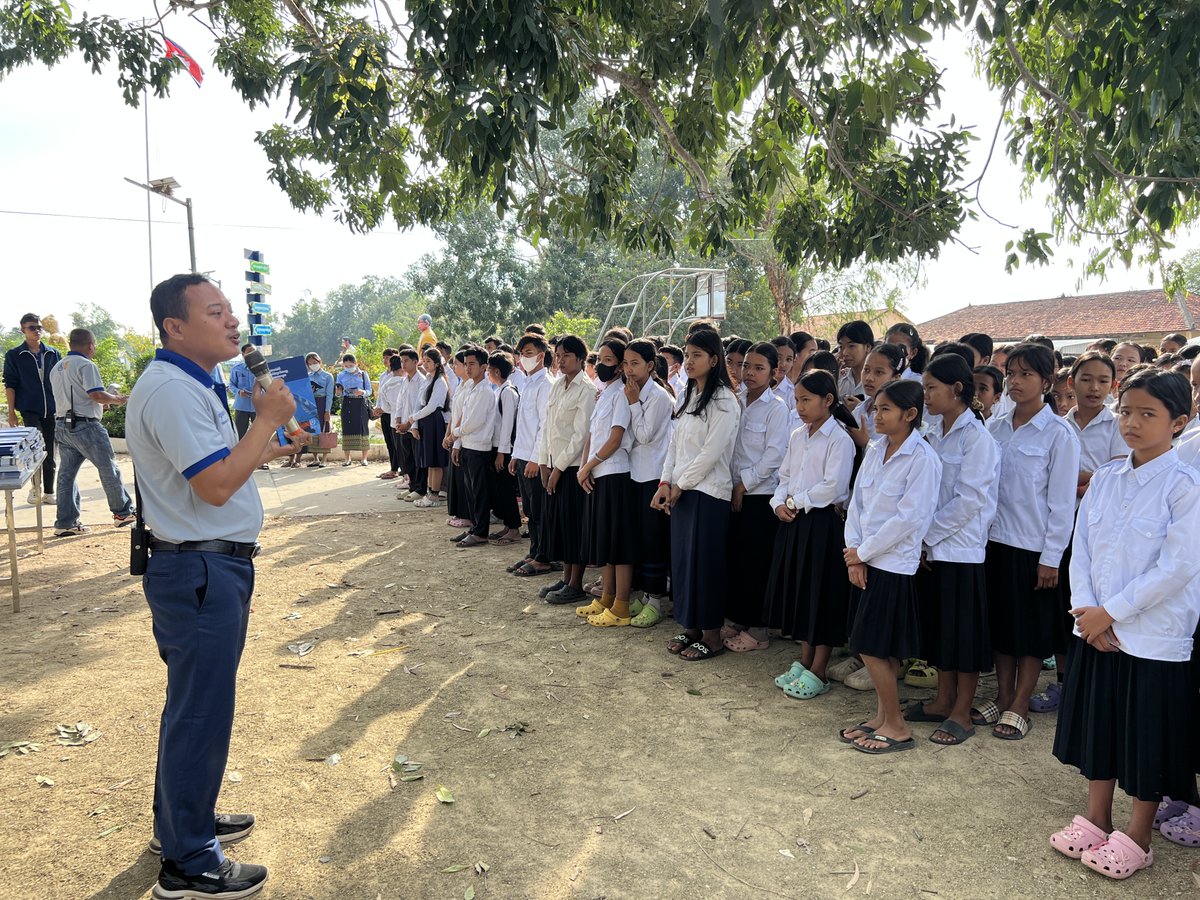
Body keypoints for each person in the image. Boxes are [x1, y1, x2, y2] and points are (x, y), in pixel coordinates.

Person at [126, 273, 298, 899]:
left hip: (204, 566)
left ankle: (181, 823)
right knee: (200, 710)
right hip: (200, 570)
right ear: (174, 327)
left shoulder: (192, 384)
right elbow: (217, 486)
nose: (233, 322)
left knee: (192, 704)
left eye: (231, 310)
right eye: (216, 311)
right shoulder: (172, 390)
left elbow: (223, 465)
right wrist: (267, 419)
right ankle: (189, 861)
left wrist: (274, 442)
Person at [1050, 368, 1200, 881]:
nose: (1132, 423)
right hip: (1097, 628)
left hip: (1152, 634)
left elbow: (1178, 567)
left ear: (1178, 421)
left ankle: (1138, 834)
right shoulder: (1107, 479)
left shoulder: (1185, 487)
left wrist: (1111, 612)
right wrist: (1088, 611)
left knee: (1144, 734)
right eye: (1127, 411)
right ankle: (1097, 817)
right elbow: (1082, 549)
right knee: (1103, 725)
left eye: (1147, 414)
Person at [984, 342, 1081, 740]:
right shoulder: (995, 428)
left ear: (1046, 381)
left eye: (1026, 374)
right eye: (1011, 374)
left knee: (1029, 631)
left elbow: (1062, 503)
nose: (1016, 381)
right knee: (1002, 626)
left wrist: (1051, 557)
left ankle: (1021, 702)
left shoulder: (1059, 434)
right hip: (994, 542)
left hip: (1032, 547)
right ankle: (1003, 695)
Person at [839, 379, 941, 754]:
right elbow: (857, 503)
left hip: (893, 563)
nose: (877, 416)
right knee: (875, 645)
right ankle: (882, 717)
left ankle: (897, 725)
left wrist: (862, 553)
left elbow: (909, 519)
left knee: (872, 646)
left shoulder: (923, 458)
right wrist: (854, 551)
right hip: (865, 557)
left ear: (910, 414)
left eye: (886, 409)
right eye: (876, 408)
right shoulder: (876, 448)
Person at [907, 354, 999, 745]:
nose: (926, 395)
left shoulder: (977, 438)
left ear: (956, 389)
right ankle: (943, 700)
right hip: (934, 548)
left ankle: (962, 710)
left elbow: (970, 500)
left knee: (963, 634)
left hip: (961, 550)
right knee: (942, 630)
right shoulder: (935, 432)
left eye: (932, 388)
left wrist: (928, 536)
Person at [764, 370, 856, 697]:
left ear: (828, 400)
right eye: (797, 400)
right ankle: (804, 661)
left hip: (822, 525)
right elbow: (785, 476)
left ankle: (819, 669)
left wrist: (795, 501)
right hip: (795, 522)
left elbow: (833, 486)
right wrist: (778, 503)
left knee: (821, 595)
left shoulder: (839, 439)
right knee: (801, 593)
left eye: (806, 400)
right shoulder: (797, 435)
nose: (799, 407)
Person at [656, 328, 740, 662]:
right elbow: (675, 444)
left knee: (705, 565)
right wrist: (665, 482)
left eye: (697, 355)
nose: (689, 361)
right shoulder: (688, 394)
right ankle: (690, 627)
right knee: (683, 563)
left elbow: (711, 453)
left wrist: (681, 484)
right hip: (683, 491)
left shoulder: (724, 400)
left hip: (708, 493)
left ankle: (712, 635)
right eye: (687, 354)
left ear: (714, 360)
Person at [723, 342, 789, 651]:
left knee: (756, 563)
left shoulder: (777, 408)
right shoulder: (735, 400)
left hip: (759, 495)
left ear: (774, 372)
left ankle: (759, 631)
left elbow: (774, 456)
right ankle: (740, 618)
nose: (749, 372)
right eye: (746, 366)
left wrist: (743, 485)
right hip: (733, 490)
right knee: (737, 559)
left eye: (758, 368)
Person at [46, 328, 136, 536]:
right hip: (85, 425)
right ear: (90, 345)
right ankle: (122, 512)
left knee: (67, 475)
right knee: (108, 468)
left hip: (63, 425)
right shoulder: (86, 365)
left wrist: (99, 402)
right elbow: (96, 394)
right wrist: (117, 399)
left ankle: (66, 522)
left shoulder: (57, 368)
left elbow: (78, 397)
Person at [575, 337, 637, 626]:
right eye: (599, 359)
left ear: (621, 366)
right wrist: (584, 467)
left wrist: (588, 466)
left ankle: (622, 605)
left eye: (608, 360)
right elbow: (592, 435)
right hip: (599, 472)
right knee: (607, 542)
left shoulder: (621, 394)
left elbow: (615, 438)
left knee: (619, 544)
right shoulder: (605, 393)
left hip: (615, 473)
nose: (601, 365)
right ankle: (607, 597)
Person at [537, 335, 596, 603]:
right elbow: (547, 427)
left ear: (580, 359)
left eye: (567, 356)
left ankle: (576, 584)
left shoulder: (587, 389)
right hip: (553, 465)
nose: (560, 361)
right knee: (560, 524)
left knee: (574, 526)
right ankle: (565, 578)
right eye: (558, 355)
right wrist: (543, 462)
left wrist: (559, 468)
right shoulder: (558, 385)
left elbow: (581, 435)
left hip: (573, 468)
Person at [622, 339, 675, 626]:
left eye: (635, 363)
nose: (629, 369)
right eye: (626, 363)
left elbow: (644, 435)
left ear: (650, 365)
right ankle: (644, 595)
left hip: (655, 475)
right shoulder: (632, 391)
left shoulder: (658, 396)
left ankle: (655, 600)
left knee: (654, 539)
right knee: (640, 538)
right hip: (636, 473)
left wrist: (632, 403)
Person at [508, 335, 554, 578]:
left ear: (541, 355)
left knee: (539, 510)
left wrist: (536, 458)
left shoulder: (546, 384)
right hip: (524, 455)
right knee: (529, 509)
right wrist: (517, 455)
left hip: (537, 459)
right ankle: (535, 551)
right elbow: (524, 425)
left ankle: (544, 557)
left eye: (528, 352)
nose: (523, 358)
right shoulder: (527, 384)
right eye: (521, 353)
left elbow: (545, 426)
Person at [4, 312, 60, 505]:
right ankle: (35, 489)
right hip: (29, 410)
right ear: (23, 330)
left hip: (51, 410)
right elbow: (10, 385)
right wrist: (12, 412)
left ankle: (49, 492)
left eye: (39, 327)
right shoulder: (15, 355)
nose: (37, 331)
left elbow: (61, 381)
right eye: (32, 328)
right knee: (35, 451)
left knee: (50, 452)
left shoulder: (52, 353)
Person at [448, 346, 497, 548]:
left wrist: (454, 434)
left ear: (484, 367)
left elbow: (473, 422)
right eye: (466, 364)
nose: (468, 368)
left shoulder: (485, 391)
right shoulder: (471, 388)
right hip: (467, 445)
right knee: (470, 492)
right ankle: (475, 528)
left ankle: (481, 532)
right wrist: (457, 444)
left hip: (479, 448)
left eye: (472, 364)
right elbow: (462, 417)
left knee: (479, 492)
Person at [487, 352, 522, 541]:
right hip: (497, 446)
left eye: (489, 370)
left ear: (497, 371)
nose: (487, 373)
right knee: (501, 490)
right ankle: (508, 525)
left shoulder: (508, 392)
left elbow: (508, 424)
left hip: (504, 449)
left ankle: (514, 528)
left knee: (507, 490)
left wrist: (502, 452)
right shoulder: (499, 390)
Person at [410, 346, 450, 506]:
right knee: (429, 460)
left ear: (437, 363)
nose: (425, 364)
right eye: (424, 361)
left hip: (434, 421)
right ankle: (430, 492)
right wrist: (414, 424)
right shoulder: (427, 379)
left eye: (429, 361)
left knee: (436, 460)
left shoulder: (440, 381)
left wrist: (413, 418)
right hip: (424, 421)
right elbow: (418, 402)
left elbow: (432, 406)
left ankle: (434, 495)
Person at [846, 343, 906, 449]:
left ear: (896, 378)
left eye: (879, 372)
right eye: (866, 370)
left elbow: (896, 455)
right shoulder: (860, 409)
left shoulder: (900, 418)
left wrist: (866, 444)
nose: (869, 378)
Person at [335, 353, 372, 466]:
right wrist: (339, 392)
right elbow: (338, 392)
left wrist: (362, 392)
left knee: (363, 428)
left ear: (356, 363)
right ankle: (347, 458)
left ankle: (364, 458)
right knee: (347, 429)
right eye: (346, 366)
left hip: (360, 403)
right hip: (347, 403)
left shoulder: (363, 374)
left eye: (351, 365)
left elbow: (369, 391)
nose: (348, 368)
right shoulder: (341, 375)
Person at [300, 353, 334, 468]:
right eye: (310, 364)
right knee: (312, 430)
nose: (313, 365)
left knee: (324, 430)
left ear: (320, 362)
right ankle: (315, 458)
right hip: (310, 404)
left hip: (322, 403)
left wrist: (327, 411)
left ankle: (324, 459)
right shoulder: (308, 376)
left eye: (314, 363)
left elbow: (329, 395)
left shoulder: (328, 376)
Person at [373, 348, 402, 479]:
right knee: (389, 441)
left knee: (397, 442)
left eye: (388, 358)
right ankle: (393, 467)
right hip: (384, 412)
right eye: (384, 358)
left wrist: (383, 408)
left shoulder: (398, 377)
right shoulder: (383, 376)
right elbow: (380, 395)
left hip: (392, 412)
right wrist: (378, 408)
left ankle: (398, 468)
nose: (385, 360)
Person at [227, 344, 258, 440]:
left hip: (257, 406)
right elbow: (231, 385)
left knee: (259, 434)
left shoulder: (261, 368)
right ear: (243, 354)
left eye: (254, 352)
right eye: (249, 352)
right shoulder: (237, 369)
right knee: (240, 434)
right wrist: (239, 391)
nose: (252, 354)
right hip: (241, 406)